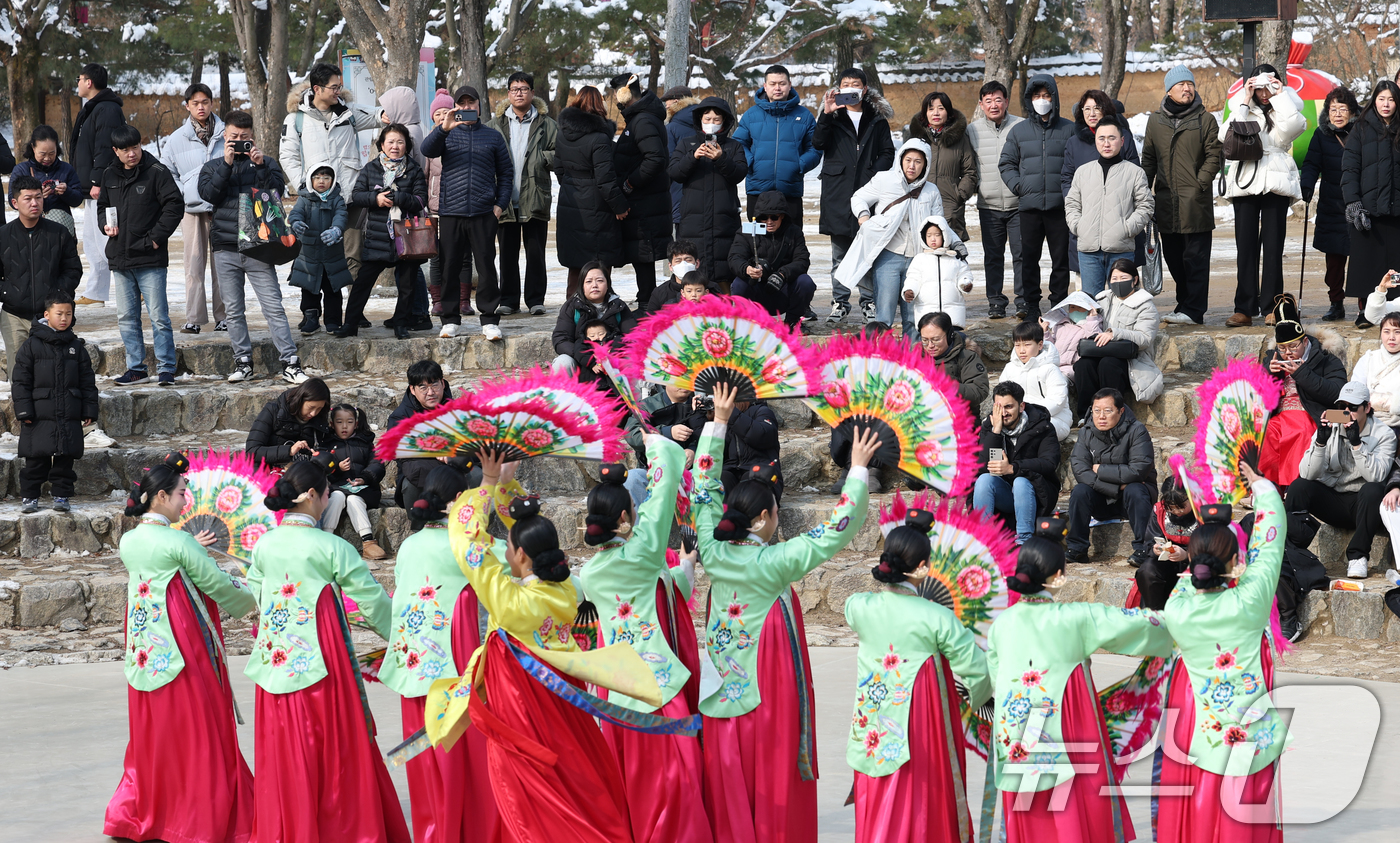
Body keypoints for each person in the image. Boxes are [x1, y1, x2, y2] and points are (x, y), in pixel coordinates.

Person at [694, 382, 878, 841]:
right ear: (762, 520)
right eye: (775, 511)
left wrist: (718, 421)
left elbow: (702, 485)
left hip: (722, 685)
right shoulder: (773, 563)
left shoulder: (712, 553)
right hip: (767, 682)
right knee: (771, 763)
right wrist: (856, 471)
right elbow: (838, 529)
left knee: (729, 770)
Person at [446, 453, 639, 840]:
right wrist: (506, 484)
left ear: (518, 555)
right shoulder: (565, 590)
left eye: (509, 548)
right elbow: (524, 528)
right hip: (565, 704)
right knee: (574, 777)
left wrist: (486, 482)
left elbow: (470, 544)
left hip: (523, 711)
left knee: (527, 792)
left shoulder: (511, 604)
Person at [245, 461, 408, 842]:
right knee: (334, 739)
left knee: (285, 743)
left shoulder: (265, 543)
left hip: (276, 654)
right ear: (316, 495)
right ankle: (343, 827)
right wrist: (400, 639)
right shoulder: (331, 546)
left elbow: (255, 588)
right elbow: (371, 601)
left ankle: (289, 825)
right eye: (327, 494)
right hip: (323, 651)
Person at [987, 518, 1174, 842]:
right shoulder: (1073, 619)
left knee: (1025, 810)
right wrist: (1185, 616)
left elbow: (994, 674)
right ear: (1058, 576)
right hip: (1064, 731)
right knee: (1070, 809)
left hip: (1015, 733)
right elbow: (1135, 625)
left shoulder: (1003, 624)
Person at [103, 453, 256, 843]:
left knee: (154, 726)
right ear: (160, 497)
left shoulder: (130, 539)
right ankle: (196, 814)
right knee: (197, 721)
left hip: (144, 640)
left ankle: (148, 808)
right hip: (181, 637)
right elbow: (217, 586)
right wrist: (252, 594)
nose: (186, 501)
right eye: (181, 493)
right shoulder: (178, 540)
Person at [578, 450, 711, 843]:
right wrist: (659, 444)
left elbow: (661, 587)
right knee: (675, 775)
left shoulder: (589, 574)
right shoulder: (643, 553)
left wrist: (680, 566)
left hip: (618, 687)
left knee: (630, 773)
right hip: (657, 680)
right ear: (624, 517)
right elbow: (667, 486)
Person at [844, 509, 992, 843]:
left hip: (875, 718)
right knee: (922, 787)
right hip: (922, 718)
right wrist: (980, 698)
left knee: (878, 779)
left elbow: (853, 609)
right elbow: (974, 668)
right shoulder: (937, 617)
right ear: (923, 568)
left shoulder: (859, 607)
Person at [1156, 465, 1287, 842]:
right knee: (1244, 811)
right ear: (1236, 563)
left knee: (1200, 798)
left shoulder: (1179, 608)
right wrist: (1261, 485)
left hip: (1199, 722)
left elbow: (1186, 585)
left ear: (1191, 564)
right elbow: (1270, 538)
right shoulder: (1252, 598)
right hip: (1249, 729)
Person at [381, 465, 500, 842]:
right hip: (454, 659)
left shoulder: (409, 545)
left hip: (414, 659)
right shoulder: (464, 543)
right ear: (456, 502)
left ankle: (434, 829)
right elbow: (507, 576)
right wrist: (494, 484)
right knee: (462, 748)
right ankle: (471, 828)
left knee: (426, 753)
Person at [197, 110, 308, 385]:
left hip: (259, 245)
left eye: (244, 138)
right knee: (233, 310)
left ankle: (290, 362)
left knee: (273, 306)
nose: (238, 142)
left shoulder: (266, 163)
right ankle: (243, 362)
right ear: (225, 136)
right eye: (233, 137)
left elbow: (277, 194)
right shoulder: (212, 166)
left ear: (252, 138)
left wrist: (259, 167)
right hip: (225, 246)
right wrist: (226, 163)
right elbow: (209, 195)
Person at [422, 86, 513, 341]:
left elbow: (506, 173)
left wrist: (499, 205)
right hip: (451, 211)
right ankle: (450, 319)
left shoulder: (493, 136)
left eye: (470, 103)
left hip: (484, 212)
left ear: (478, 106)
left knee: (486, 266)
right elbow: (426, 150)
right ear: (456, 107)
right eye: (461, 104)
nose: (466, 108)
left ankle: (489, 319)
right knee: (449, 266)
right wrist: (443, 128)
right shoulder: (447, 133)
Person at [98, 124, 184, 387]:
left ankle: (167, 368)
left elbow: (175, 205)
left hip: (149, 257)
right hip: (121, 257)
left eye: (135, 147)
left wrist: (156, 238)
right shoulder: (109, 175)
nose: (132, 153)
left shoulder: (156, 172)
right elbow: (102, 206)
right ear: (116, 151)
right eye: (125, 150)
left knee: (158, 315)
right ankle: (136, 368)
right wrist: (105, 223)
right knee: (127, 317)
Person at [281, 62, 385, 280]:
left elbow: (379, 116)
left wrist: (390, 110)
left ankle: (353, 313)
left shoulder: (350, 112)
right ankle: (313, 311)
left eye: (339, 87)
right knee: (313, 256)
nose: (338, 91)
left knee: (353, 257)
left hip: (349, 198)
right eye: (334, 87)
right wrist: (304, 185)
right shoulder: (296, 119)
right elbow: (287, 156)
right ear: (317, 88)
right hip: (314, 200)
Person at [1220, 64, 1305, 327]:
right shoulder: (1242, 106)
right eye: (1259, 86)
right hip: (1246, 181)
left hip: (1276, 181)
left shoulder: (1287, 106)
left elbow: (1292, 129)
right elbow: (1225, 136)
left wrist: (1280, 95)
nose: (1264, 92)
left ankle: (1271, 305)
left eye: (1269, 85)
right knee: (1245, 247)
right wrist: (1244, 101)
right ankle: (1243, 308)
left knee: (1273, 247)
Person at [1141, 65, 1223, 325]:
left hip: (1194, 203)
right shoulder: (1155, 121)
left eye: (1190, 84)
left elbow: (1215, 155)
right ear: (1169, 90)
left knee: (1195, 260)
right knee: (1174, 259)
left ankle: (1193, 310)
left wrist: (1201, 183)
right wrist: (1144, 191)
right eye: (1181, 85)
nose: (1187, 89)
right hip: (1166, 202)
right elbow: (1149, 159)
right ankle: (1184, 305)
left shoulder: (1205, 120)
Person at [1289, 381, 1395, 578]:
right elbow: (1307, 474)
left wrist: (1357, 445)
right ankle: (1292, 551)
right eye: (1341, 407)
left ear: (1367, 408)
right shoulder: (1331, 425)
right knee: (1298, 487)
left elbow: (1376, 476)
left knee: (1372, 490)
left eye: (1353, 407)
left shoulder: (1384, 435)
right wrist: (1320, 442)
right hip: (1333, 499)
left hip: (1363, 506)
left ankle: (1358, 556)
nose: (1347, 412)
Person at [814, 68, 896, 323]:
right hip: (837, 193)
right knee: (840, 255)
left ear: (864, 89)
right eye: (845, 84)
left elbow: (888, 153)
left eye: (856, 84)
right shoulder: (832, 116)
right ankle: (840, 302)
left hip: (868, 194)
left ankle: (869, 303)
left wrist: (873, 173)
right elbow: (817, 143)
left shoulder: (877, 119)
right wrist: (826, 115)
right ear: (839, 88)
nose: (851, 88)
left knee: (868, 252)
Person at [839, 139, 944, 333]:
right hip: (888, 255)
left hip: (918, 259)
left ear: (926, 164)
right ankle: (882, 357)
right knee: (884, 314)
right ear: (900, 159)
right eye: (908, 160)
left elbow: (938, 224)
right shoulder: (884, 180)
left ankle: (911, 358)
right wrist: (864, 216)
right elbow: (859, 197)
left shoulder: (931, 191)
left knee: (913, 316)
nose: (912, 166)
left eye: (918, 161)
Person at [338, 124, 430, 339]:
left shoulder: (414, 169)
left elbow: (420, 200)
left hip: (406, 237)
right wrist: (376, 198)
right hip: (377, 237)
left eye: (400, 142)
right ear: (381, 145)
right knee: (362, 283)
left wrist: (398, 197)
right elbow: (357, 195)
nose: (395, 146)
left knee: (407, 286)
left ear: (406, 145)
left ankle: (401, 324)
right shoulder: (371, 168)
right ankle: (350, 323)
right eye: (390, 142)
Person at [999, 74, 1076, 321]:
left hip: (1059, 207)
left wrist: (1070, 193)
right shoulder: (1019, 131)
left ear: (1054, 98)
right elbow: (1006, 163)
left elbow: (1076, 164)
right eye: (1036, 96)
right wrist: (1019, 186)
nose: (1041, 100)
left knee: (1061, 259)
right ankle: (1031, 303)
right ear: (1029, 99)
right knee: (1028, 258)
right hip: (1029, 207)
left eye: (1046, 96)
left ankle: (1059, 302)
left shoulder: (1069, 129)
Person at [13, 291, 98, 513]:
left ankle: (61, 495)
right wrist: (24, 411)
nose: (64, 318)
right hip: (39, 414)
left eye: (68, 314)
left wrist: (89, 409)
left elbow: (87, 381)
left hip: (69, 411)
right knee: (36, 459)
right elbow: (21, 382)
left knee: (65, 458)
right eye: (59, 313)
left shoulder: (76, 347)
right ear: (46, 314)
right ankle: (30, 497)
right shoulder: (31, 346)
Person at [488, 72, 557, 316]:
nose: (519, 92)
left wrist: (541, 158)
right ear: (508, 94)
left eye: (524, 88)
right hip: (504, 200)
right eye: (515, 89)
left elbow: (559, 155)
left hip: (535, 196)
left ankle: (536, 300)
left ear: (532, 93)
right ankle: (508, 300)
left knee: (536, 253)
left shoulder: (547, 124)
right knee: (506, 254)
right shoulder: (494, 125)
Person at [0, 175, 83, 378]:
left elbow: (73, 269)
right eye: (27, 198)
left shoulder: (59, 233)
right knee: (19, 374)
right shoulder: (3, 235)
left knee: (53, 373)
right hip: (14, 314)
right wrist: (7, 293)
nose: (34, 203)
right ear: (14, 203)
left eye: (38, 197)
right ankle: (23, 411)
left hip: (50, 316)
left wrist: (56, 294)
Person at [1066, 388, 1159, 567]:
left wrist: (1100, 469)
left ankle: (1144, 548)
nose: (1101, 416)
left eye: (1108, 411)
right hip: (1102, 499)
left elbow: (1138, 470)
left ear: (1121, 411)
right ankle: (1077, 548)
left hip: (1133, 499)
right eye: (1096, 410)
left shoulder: (1137, 431)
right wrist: (1116, 487)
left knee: (1135, 488)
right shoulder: (1086, 432)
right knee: (1080, 491)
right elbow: (1080, 469)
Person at [1261, 294, 1346, 488]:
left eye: (1293, 346)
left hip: (1313, 415)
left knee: (1299, 430)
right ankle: (1267, 488)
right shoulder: (1272, 358)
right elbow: (1259, 396)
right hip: (1278, 416)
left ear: (1305, 342)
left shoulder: (1326, 358)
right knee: (1262, 431)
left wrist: (1302, 373)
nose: (1287, 352)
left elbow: (1337, 392)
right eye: (1282, 348)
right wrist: (1270, 375)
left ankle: (1295, 486)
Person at [161, 83, 227, 334]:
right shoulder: (177, 138)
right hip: (192, 209)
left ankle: (225, 316)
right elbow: (168, 172)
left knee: (224, 265)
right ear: (187, 105)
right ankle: (194, 318)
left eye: (206, 102)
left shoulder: (225, 133)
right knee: (194, 263)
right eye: (196, 103)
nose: (201, 107)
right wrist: (184, 194)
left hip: (223, 207)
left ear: (212, 103)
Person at [1060, 89, 1143, 278]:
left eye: (1097, 108)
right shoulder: (1074, 143)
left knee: (1120, 285)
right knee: (1088, 294)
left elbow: (1136, 179)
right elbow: (1066, 179)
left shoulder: (1123, 138)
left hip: (1119, 227)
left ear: (1105, 110)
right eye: (1086, 108)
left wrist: (1127, 224)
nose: (1091, 113)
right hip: (1088, 228)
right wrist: (1078, 216)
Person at [556, 86, 628, 300]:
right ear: (599, 105)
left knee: (576, 266)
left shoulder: (562, 134)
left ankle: (571, 312)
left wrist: (573, 186)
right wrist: (620, 206)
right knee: (600, 264)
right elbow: (605, 179)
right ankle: (601, 317)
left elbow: (559, 169)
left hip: (570, 202)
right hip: (598, 207)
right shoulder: (599, 138)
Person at [1065, 120, 1153, 295]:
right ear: (1095, 141)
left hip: (1121, 248)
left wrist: (1127, 228)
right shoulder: (1083, 172)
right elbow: (1072, 203)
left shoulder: (1134, 172)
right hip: (1089, 250)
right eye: (1101, 138)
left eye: (1112, 138)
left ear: (1121, 141)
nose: (1106, 143)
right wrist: (1078, 226)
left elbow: (1146, 205)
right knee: (1091, 302)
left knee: (1123, 299)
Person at [609, 74, 672, 306]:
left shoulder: (643, 120)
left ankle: (647, 304)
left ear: (624, 94)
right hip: (645, 201)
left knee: (643, 255)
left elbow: (655, 159)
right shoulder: (639, 118)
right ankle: (646, 300)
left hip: (645, 201)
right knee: (641, 256)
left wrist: (629, 183)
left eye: (615, 93)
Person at [669, 97, 746, 286]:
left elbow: (739, 173)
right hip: (692, 218)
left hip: (724, 218)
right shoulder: (687, 144)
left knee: (725, 267)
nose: (711, 123)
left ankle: (725, 308)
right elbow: (674, 172)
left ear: (724, 122)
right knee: (694, 270)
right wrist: (693, 157)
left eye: (716, 119)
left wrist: (721, 158)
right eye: (707, 119)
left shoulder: (733, 146)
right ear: (700, 119)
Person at [973, 381, 1061, 544]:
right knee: (984, 480)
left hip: (1037, 493)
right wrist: (996, 432)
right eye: (999, 407)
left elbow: (1049, 463)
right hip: (1006, 495)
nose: (1003, 413)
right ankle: (982, 541)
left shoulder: (1042, 427)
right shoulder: (991, 426)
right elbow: (986, 466)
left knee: (1021, 481)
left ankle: (1024, 541)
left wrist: (1013, 468)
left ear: (1021, 406)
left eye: (1009, 407)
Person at [1342, 80, 1400, 328]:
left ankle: (1395, 312)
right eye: (1381, 99)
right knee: (1367, 263)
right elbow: (1350, 168)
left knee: (1396, 265)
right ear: (1374, 101)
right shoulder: (1361, 129)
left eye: (1391, 99)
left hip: (1397, 210)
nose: (1386, 104)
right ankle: (1366, 311)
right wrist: (1353, 203)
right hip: (1368, 210)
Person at [1074, 260, 1163, 417]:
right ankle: (1086, 415)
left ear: (1134, 280)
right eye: (1114, 279)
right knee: (1083, 365)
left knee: (1109, 364)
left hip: (1132, 360)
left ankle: (1113, 413)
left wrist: (1115, 334)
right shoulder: (1102, 299)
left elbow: (1145, 338)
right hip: (1100, 352)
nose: (1118, 282)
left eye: (1123, 278)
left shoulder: (1145, 306)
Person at [732, 64, 820, 222]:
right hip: (757, 190)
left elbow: (815, 147)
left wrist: (799, 165)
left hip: (790, 189)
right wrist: (751, 162)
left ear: (789, 85)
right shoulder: (751, 115)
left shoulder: (804, 116)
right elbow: (738, 143)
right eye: (772, 84)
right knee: (757, 239)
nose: (777, 88)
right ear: (765, 86)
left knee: (791, 240)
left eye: (782, 83)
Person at [1301, 86, 1360, 322]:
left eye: (1342, 109)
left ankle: (1364, 305)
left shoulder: (1362, 132)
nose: (1337, 114)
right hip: (1331, 206)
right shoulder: (1321, 134)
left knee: (1361, 259)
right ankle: (1336, 303)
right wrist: (1306, 184)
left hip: (1358, 205)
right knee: (1334, 261)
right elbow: (1311, 163)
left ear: (1352, 112)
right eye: (1333, 109)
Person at [968, 81, 1024, 320]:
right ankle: (996, 302)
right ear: (981, 104)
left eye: (998, 99)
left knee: (1022, 254)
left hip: (1019, 205)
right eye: (988, 101)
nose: (994, 105)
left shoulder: (1021, 126)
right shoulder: (972, 130)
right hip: (988, 205)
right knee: (993, 257)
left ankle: (1024, 301)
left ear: (1006, 101)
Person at [70, 62, 124, 306]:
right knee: (93, 241)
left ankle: (134, 284)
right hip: (92, 188)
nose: (78, 83)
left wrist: (97, 180)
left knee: (107, 239)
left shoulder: (107, 110)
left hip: (102, 187)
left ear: (89, 82)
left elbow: (105, 148)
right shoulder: (94, 108)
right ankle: (96, 292)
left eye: (80, 79)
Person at [386, 360, 473, 508]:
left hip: (455, 468)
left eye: (434, 385)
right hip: (420, 474)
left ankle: (472, 525)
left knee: (476, 474)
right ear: (412, 389)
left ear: (443, 384)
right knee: (410, 484)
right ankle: (419, 528)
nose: (431, 392)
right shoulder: (401, 416)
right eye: (423, 387)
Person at [728, 190, 816, 329]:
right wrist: (747, 269)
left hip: (782, 290)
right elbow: (735, 258)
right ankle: (747, 322)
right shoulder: (746, 232)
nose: (769, 222)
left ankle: (792, 322)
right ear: (757, 217)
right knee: (739, 284)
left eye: (774, 217)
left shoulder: (793, 232)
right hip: (756, 288)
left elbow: (802, 260)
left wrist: (782, 274)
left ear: (782, 216)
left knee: (805, 282)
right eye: (763, 217)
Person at [425, 88, 473, 325]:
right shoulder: (431, 140)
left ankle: (464, 299)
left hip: (460, 206)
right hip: (435, 207)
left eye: (447, 111)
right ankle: (437, 300)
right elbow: (425, 176)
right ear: (432, 117)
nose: (443, 116)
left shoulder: (463, 136)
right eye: (438, 113)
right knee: (437, 256)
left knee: (464, 254)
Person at [288, 164, 352, 334]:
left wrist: (336, 229)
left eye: (326, 178)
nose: (321, 181)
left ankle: (333, 321)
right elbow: (295, 213)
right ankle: (311, 319)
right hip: (309, 255)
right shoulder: (305, 199)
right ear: (310, 180)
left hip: (332, 255)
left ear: (333, 180)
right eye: (317, 177)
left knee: (333, 290)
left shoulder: (337, 199)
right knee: (309, 289)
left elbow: (341, 215)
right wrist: (295, 223)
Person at [907, 90, 977, 242]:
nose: (936, 113)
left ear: (948, 112)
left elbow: (970, 171)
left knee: (952, 255)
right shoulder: (916, 139)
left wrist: (959, 195)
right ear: (925, 113)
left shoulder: (960, 138)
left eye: (941, 108)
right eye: (931, 108)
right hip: (919, 202)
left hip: (950, 204)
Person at [321, 403, 388, 560]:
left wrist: (365, 477)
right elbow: (320, 466)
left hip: (363, 491)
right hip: (336, 489)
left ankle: (368, 542)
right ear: (331, 424)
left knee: (353, 498)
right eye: (339, 422)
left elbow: (377, 464)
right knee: (336, 496)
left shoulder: (365, 443)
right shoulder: (326, 444)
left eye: (350, 422)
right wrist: (336, 468)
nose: (345, 426)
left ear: (356, 424)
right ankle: (325, 537)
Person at [551, 261, 637, 374]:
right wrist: (586, 356)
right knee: (563, 362)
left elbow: (634, 336)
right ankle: (568, 391)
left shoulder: (618, 306)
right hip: (582, 360)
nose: (594, 285)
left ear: (608, 283)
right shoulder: (572, 307)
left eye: (600, 281)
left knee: (636, 359)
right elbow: (561, 338)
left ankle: (637, 391)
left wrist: (614, 352)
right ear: (582, 285)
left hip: (614, 362)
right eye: (589, 281)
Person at [999, 319, 1071, 440]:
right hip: (1015, 416)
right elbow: (1001, 396)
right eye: (1017, 345)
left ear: (1040, 345)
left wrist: (1028, 416)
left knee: (1032, 430)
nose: (1021, 350)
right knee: (991, 427)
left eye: (1027, 345)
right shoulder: (1010, 368)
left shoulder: (1050, 368)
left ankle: (1026, 459)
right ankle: (995, 458)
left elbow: (1057, 401)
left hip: (1053, 418)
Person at [1134, 475, 1195, 611]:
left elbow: (1214, 546)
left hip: (1196, 562)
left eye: (1181, 507)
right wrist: (1155, 549)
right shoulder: (1160, 510)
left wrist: (1187, 554)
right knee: (1147, 571)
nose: (1176, 512)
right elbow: (1150, 540)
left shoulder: (1204, 511)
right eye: (1171, 508)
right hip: (1168, 563)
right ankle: (1155, 614)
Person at [244, 378, 332, 472]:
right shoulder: (272, 411)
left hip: (299, 475)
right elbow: (252, 450)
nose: (313, 413)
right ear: (300, 400)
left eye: (319, 409)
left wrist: (320, 457)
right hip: (266, 472)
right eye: (311, 407)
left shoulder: (319, 420)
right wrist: (289, 451)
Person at [10, 125, 83, 236]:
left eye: (52, 153)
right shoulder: (21, 170)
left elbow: (78, 199)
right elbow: (12, 199)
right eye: (42, 154)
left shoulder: (66, 169)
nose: (47, 158)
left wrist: (67, 192)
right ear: (33, 148)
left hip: (61, 226)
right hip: (31, 226)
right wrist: (37, 196)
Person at [901, 216, 972, 329]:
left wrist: (965, 284)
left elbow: (965, 274)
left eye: (937, 235)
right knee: (931, 341)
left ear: (945, 235)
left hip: (953, 313)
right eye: (929, 235)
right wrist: (909, 290)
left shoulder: (955, 258)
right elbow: (913, 278)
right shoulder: (920, 259)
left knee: (953, 340)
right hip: (926, 312)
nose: (933, 239)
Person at [917, 312, 988, 416]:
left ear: (950, 335)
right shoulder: (914, 358)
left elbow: (979, 391)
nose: (930, 345)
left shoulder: (967, 356)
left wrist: (949, 386)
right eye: (925, 340)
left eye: (936, 340)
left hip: (961, 422)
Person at [1040, 291, 1102, 385]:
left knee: (1057, 381)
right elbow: (1050, 346)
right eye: (1072, 307)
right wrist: (1045, 333)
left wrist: (1092, 319)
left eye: (1080, 307)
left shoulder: (1094, 324)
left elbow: (1094, 341)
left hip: (1071, 368)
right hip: (1053, 364)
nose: (1075, 310)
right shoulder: (1061, 324)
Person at [664, 85, 702, 236]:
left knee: (684, 245)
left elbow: (670, 163)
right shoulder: (705, 120)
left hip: (681, 194)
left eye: (667, 104)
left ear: (675, 102)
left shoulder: (671, 127)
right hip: (707, 191)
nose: (665, 107)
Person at [1354, 311, 1400, 430]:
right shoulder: (1369, 359)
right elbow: (1355, 392)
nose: (1391, 337)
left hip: (1395, 424)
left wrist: (1373, 399)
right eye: (1386, 332)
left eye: (1397, 332)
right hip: (1365, 421)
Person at [649, 240, 704, 311]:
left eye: (688, 260)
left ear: (697, 263)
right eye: (678, 261)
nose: (683, 264)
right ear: (670, 266)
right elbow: (650, 319)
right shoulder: (660, 292)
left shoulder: (711, 288)